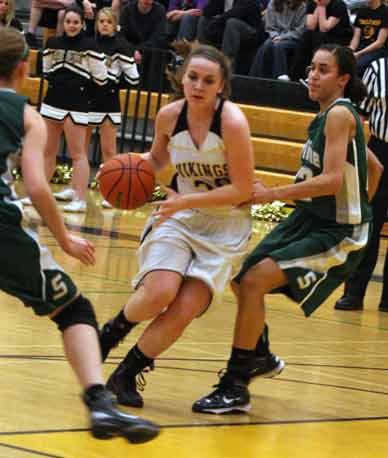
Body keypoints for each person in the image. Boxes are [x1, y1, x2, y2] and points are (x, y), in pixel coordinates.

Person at [0, 15, 159, 442]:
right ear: (23, 69)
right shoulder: (24, 114)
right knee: (74, 311)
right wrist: (65, 238)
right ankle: (100, 405)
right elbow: (37, 186)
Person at [192, 44, 384, 414]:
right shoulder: (331, 116)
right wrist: (361, 201)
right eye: (311, 67)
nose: (312, 74)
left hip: (337, 230)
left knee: (251, 282)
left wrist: (352, 214)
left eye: (323, 69)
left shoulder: (340, 116)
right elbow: (373, 168)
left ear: (343, 79)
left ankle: (235, 386)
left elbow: (330, 181)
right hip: (309, 220)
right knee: (243, 277)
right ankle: (258, 355)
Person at [98, 44, 256, 408]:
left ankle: (127, 373)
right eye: (193, 77)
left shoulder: (232, 123)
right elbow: (156, 159)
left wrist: (184, 199)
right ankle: (110, 333)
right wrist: (124, 171)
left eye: (208, 80)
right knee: (160, 291)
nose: (198, 85)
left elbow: (243, 189)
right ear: (182, 78)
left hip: (225, 225)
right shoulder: (169, 116)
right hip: (180, 217)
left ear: (222, 86)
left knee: (184, 308)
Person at [38, 6, 108, 213]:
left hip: (77, 103)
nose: (71, 25)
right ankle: (39, 195)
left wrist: (83, 89)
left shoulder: (90, 45)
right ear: (64, 23)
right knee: (48, 151)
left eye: (76, 22)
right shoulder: (53, 43)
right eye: (68, 21)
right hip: (52, 101)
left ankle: (79, 199)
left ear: (82, 23)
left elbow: (101, 77)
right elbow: (46, 70)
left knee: (78, 154)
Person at [334, 55, 388, 312]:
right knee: (369, 222)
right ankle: (354, 293)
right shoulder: (377, 68)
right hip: (381, 149)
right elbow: (359, 114)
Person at [88, 7, 139, 209]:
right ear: (96, 24)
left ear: (115, 24)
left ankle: (111, 193)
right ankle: (77, 190)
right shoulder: (90, 44)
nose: (104, 25)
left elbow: (134, 79)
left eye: (108, 22)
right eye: (101, 21)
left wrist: (112, 85)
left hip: (109, 102)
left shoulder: (121, 46)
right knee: (81, 149)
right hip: (88, 100)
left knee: (109, 151)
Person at [290, 0, 353, 81]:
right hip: (319, 35)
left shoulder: (338, 4)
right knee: (306, 36)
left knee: (319, 36)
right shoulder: (312, 3)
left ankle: (313, 75)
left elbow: (324, 28)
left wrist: (322, 7)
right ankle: (295, 77)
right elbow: (311, 26)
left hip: (338, 37)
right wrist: (319, 6)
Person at [197, 0, 265, 74]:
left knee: (232, 23)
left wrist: (216, 23)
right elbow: (207, 12)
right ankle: (204, 59)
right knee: (204, 20)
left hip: (251, 31)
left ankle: (226, 66)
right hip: (228, 28)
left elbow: (236, 13)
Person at [249, 0, 306, 80]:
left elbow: (300, 31)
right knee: (266, 46)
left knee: (278, 46)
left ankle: (281, 78)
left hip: (293, 38)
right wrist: (275, 36)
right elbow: (270, 27)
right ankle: (256, 78)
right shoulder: (273, 3)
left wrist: (283, 37)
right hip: (275, 36)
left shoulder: (302, 6)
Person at [348, 0, 388, 76]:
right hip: (362, 47)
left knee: (356, 66)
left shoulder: (385, 12)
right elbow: (356, 36)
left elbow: (380, 42)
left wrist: (359, 54)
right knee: (341, 60)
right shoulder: (362, 11)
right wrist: (351, 50)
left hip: (378, 50)